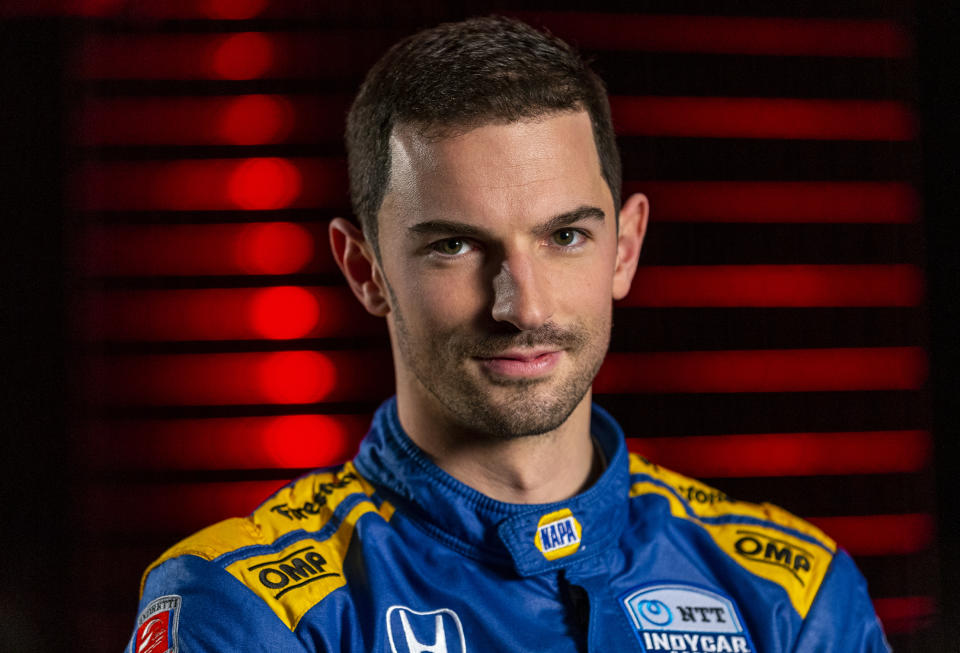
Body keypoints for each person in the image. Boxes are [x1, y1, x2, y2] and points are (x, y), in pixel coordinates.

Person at [126, 16, 890, 652]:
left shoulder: (796, 592)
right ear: (364, 269)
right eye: (453, 245)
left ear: (624, 248)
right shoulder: (244, 606)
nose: (521, 306)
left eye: (564, 236)